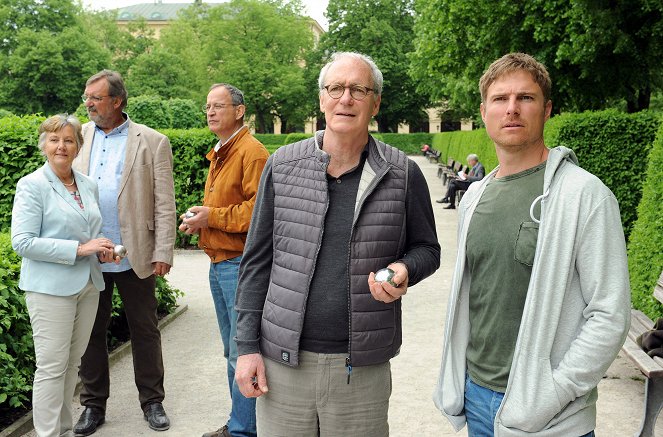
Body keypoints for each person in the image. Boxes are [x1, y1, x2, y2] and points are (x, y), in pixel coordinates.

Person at [233, 51, 440, 437]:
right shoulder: (282, 165)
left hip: (361, 370)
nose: (346, 98)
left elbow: (428, 249)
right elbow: (256, 263)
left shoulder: (403, 173)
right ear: (322, 98)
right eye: (336, 88)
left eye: (359, 90)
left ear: (375, 102)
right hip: (283, 365)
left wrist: (404, 268)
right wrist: (246, 348)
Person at [433, 53, 631, 436]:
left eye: (525, 98)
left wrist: (556, 392)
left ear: (547, 109)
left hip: (553, 418)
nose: (512, 109)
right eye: (500, 99)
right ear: (484, 111)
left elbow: (609, 313)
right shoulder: (474, 197)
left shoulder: (584, 194)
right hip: (477, 400)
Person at [72, 70, 176, 435]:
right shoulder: (77, 137)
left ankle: (153, 401)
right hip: (91, 255)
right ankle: (92, 405)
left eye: (96, 98)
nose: (88, 104)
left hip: (136, 254)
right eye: (87, 97)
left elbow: (164, 203)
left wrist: (163, 249)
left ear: (116, 101)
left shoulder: (152, 141)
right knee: (89, 332)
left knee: (145, 330)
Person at [11, 114, 118, 437]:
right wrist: (81, 249)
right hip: (49, 290)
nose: (62, 146)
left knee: (72, 365)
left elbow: (89, 231)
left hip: (88, 284)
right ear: (45, 144)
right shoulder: (31, 185)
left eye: (69, 140)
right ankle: (47, 433)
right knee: (51, 368)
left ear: (78, 146)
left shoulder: (87, 184)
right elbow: (23, 242)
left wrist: (100, 249)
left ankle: (63, 428)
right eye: (55, 139)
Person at [180, 83, 269, 437]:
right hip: (221, 263)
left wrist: (210, 218)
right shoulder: (221, 151)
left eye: (218, 106)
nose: (211, 112)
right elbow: (221, 210)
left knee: (242, 352)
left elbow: (257, 213)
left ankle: (244, 431)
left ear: (240, 110)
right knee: (232, 351)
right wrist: (199, 224)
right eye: (207, 107)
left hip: (240, 265)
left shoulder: (252, 152)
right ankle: (242, 422)